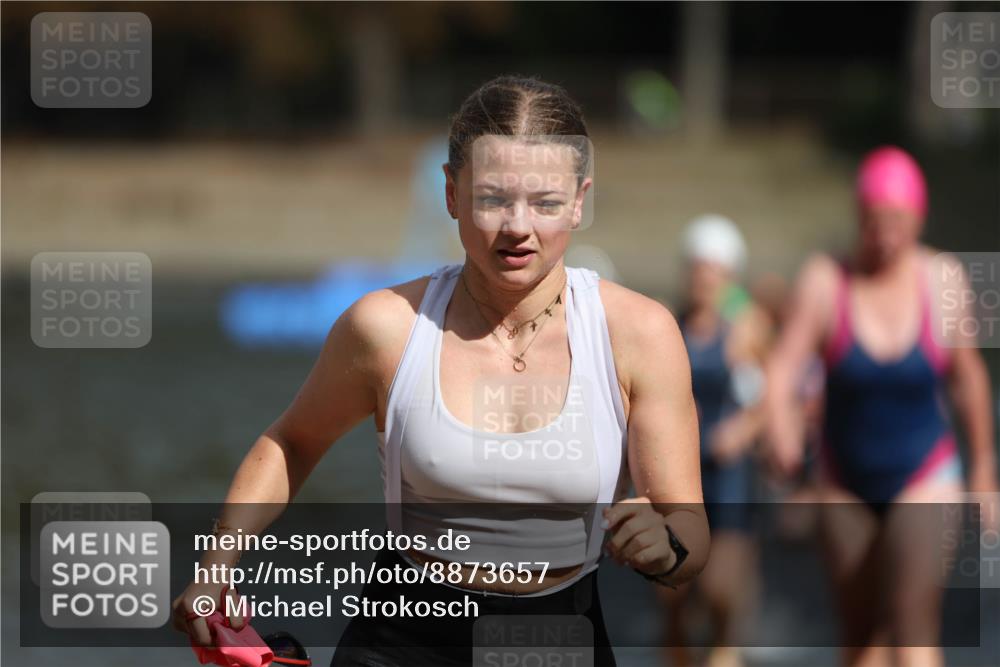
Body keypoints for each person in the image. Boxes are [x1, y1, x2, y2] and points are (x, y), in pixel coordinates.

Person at [173, 75, 709, 667]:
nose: (517, 226)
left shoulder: (639, 333)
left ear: (580, 201)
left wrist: (668, 549)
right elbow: (292, 441)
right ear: (451, 194)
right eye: (492, 198)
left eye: (546, 203)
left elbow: (689, 525)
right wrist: (214, 570)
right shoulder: (387, 327)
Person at [765, 146, 998, 667]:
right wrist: (780, 427)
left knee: (912, 630)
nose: (886, 236)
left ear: (919, 217)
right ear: (858, 217)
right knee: (861, 638)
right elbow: (783, 367)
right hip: (843, 480)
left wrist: (983, 469)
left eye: (899, 222)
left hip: (926, 473)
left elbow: (968, 378)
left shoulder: (942, 281)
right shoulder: (827, 281)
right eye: (874, 222)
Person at [659, 215, 771, 667]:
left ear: (729, 275)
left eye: (714, 271)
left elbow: (769, 398)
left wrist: (743, 430)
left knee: (722, 587)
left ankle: (726, 649)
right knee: (673, 595)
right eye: (698, 269)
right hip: (678, 474)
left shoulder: (746, 327)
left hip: (727, 476)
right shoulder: (667, 323)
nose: (704, 280)